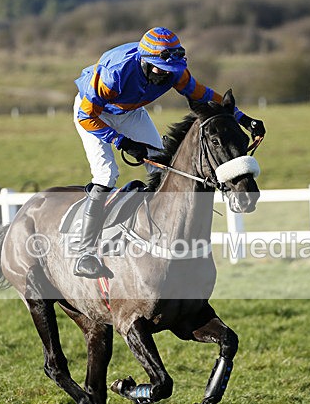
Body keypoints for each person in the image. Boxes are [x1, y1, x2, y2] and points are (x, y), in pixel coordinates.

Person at [72, 26, 266, 279]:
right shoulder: (114, 74)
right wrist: (121, 142)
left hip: (130, 112)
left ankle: (162, 240)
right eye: (161, 71)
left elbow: (204, 95)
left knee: (162, 166)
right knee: (107, 174)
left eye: (171, 72)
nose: (167, 77)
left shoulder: (173, 69)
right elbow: (86, 116)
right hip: (94, 114)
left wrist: (242, 118)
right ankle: (83, 253)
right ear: (144, 62)